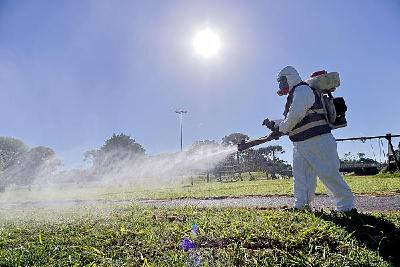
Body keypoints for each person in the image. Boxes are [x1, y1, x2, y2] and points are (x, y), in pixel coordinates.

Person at [264, 66, 354, 211]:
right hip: (300, 143)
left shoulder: (302, 90)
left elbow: (295, 115)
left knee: (329, 174)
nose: (281, 85)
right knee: (301, 177)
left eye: (282, 81)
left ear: (289, 77)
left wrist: (281, 128)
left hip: (317, 139)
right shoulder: (295, 94)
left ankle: (346, 208)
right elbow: (292, 119)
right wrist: (274, 124)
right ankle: (301, 205)